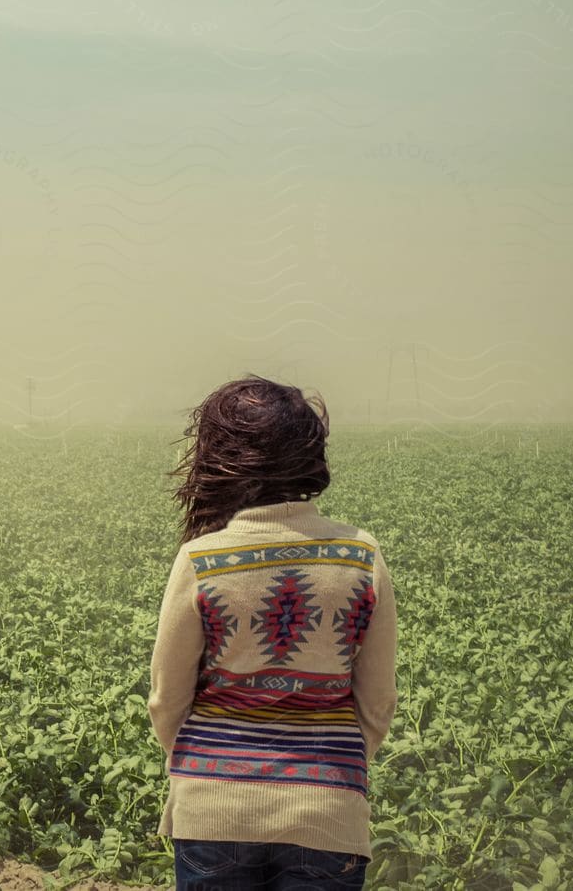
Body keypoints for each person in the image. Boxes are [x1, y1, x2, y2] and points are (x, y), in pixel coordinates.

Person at [147, 375, 396, 890]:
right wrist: (328, 772)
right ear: (308, 453)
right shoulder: (361, 555)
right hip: (327, 810)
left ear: (221, 458)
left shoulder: (203, 559)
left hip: (213, 806)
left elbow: (166, 700)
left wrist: (209, 769)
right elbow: (377, 704)